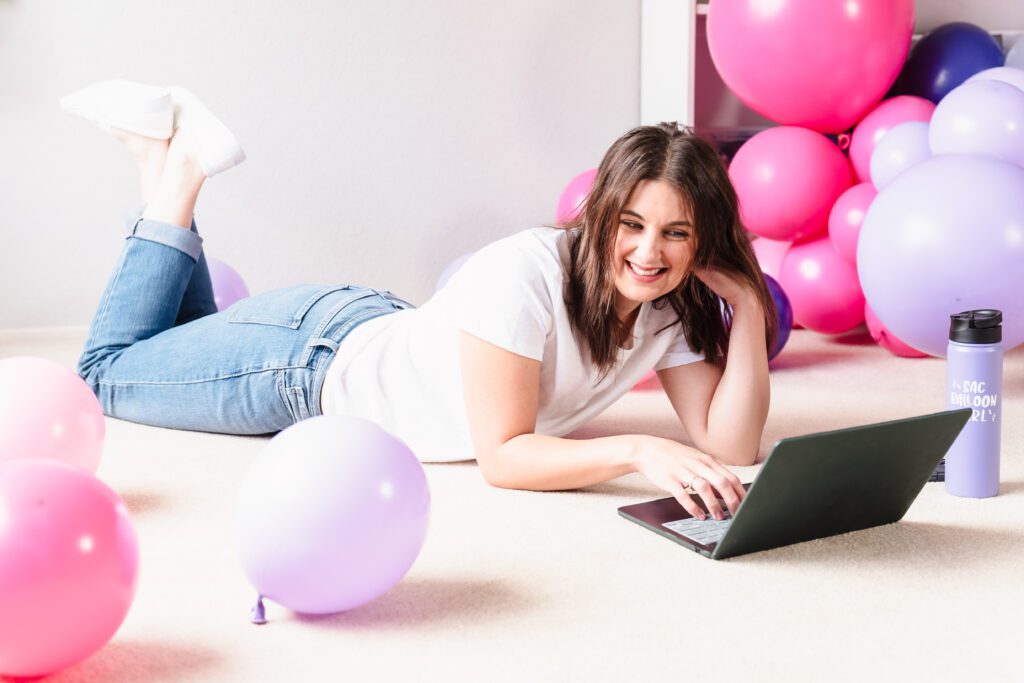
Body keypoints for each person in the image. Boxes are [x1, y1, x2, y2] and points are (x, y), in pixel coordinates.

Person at [63, 80, 777, 523]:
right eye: (632, 224)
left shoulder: (668, 303)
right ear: (602, 214)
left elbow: (731, 444)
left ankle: (158, 164)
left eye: (676, 234)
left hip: (371, 328)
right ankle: (180, 169)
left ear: (700, 241)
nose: (650, 252)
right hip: (305, 368)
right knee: (104, 373)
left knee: (176, 339)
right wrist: (639, 448)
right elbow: (503, 456)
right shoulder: (524, 273)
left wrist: (746, 303)